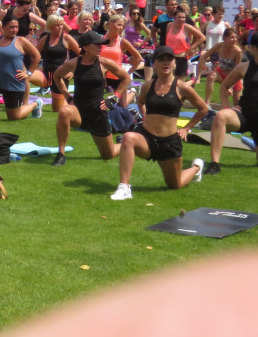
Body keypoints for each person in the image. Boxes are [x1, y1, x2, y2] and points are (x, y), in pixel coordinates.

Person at [110, 46, 208, 200]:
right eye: (161, 60)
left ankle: (196, 167)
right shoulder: (148, 86)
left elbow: (203, 108)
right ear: (154, 64)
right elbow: (140, 102)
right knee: (128, 138)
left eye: (169, 59)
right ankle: (124, 187)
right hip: (147, 138)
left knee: (174, 184)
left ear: (175, 63)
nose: (165, 63)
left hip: (169, 143)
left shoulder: (182, 87)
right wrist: (144, 116)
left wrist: (186, 128)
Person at [50, 31, 130, 166]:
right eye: (97, 45)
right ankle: (61, 154)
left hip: (97, 113)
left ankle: (122, 143)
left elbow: (126, 78)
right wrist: (67, 96)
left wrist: (115, 97)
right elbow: (57, 76)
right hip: (79, 112)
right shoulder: (74, 63)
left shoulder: (104, 63)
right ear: (85, 47)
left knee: (108, 155)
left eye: (102, 45)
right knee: (64, 111)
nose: (101, 48)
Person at [203, 31, 258, 175]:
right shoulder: (244, 67)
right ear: (253, 49)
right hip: (245, 114)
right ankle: (215, 164)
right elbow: (223, 87)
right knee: (221, 116)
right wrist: (226, 106)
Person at [29, 14, 81, 112]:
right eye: (57, 25)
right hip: (46, 74)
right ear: (51, 26)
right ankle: (20, 102)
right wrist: (34, 67)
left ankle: (74, 104)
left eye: (61, 25)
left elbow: (81, 55)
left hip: (60, 76)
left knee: (57, 109)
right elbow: (35, 54)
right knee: (26, 75)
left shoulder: (66, 38)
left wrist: (72, 71)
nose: (60, 27)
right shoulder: (45, 38)